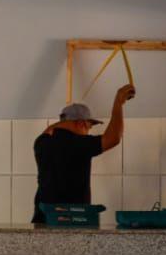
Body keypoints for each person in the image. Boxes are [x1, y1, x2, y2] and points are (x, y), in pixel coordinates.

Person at [31, 84, 135, 224]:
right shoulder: (77, 144)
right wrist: (118, 102)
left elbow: (50, 130)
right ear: (81, 124)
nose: (88, 132)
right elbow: (113, 138)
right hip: (70, 221)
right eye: (89, 127)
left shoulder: (41, 142)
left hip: (42, 220)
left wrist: (60, 124)